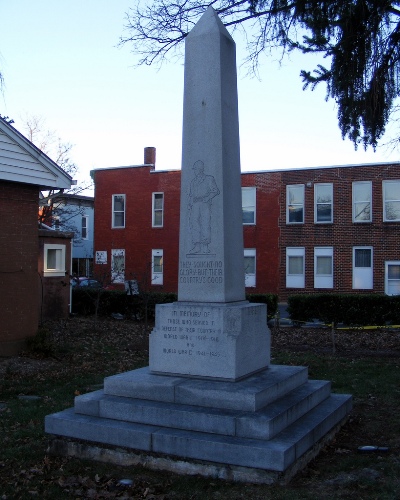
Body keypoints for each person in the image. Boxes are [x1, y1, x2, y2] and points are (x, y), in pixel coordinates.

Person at [188, 160, 220, 253]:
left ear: (200, 169)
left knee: (205, 223)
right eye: (194, 169)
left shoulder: (209, 179)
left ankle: (205, 246)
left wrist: (208, 198)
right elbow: (191, 195)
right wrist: (190, 205)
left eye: (196, 169)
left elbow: (216, 191)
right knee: (194, 224)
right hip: (195, 204)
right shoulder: (193, 181)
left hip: (204, 203)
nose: (195, 171)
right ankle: (197, 245)